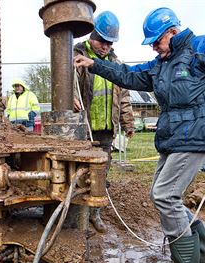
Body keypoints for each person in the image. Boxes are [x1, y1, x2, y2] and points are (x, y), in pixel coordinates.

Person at [74, 7, 205, 263]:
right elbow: (128, 74)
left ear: (171, 31)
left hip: (199, 135)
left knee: (165, 195)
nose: (155, 49)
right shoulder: (161, 64)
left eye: (157, 42)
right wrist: (95, 64)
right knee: (163, 194)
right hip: (174, 138)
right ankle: (204, 256)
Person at [74, 11, 135, 233]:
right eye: (102, 41)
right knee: (80, 172)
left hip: (106, 130)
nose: (105, 47)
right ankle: (77, 215)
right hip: (84, 128)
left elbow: (124, 97)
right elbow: (65, 80)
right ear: (92, 34)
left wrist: (128, 122)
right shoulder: (76, 55)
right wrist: (70, 95)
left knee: (101, 173)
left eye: (109, 43)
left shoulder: (115, 63)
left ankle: (94, 214)